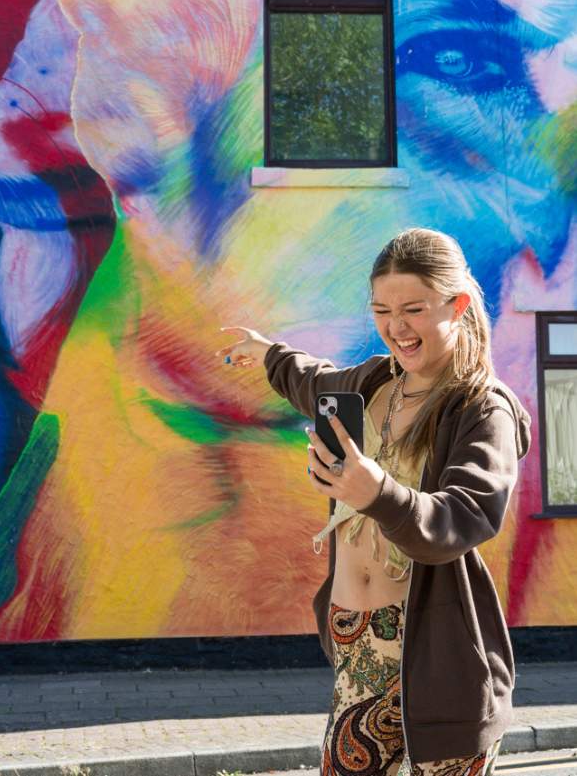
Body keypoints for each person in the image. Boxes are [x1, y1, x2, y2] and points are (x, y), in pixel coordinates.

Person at [216, 227, 531, 776]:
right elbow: (313, 382)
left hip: (435, 652)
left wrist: (375, 492)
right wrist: (268, 353)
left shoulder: (482, 408)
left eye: (413, 309)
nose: (395, 327)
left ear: (456, 306)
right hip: (354, 642)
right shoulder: (371, 383)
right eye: (381, 310)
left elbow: (466, 515)